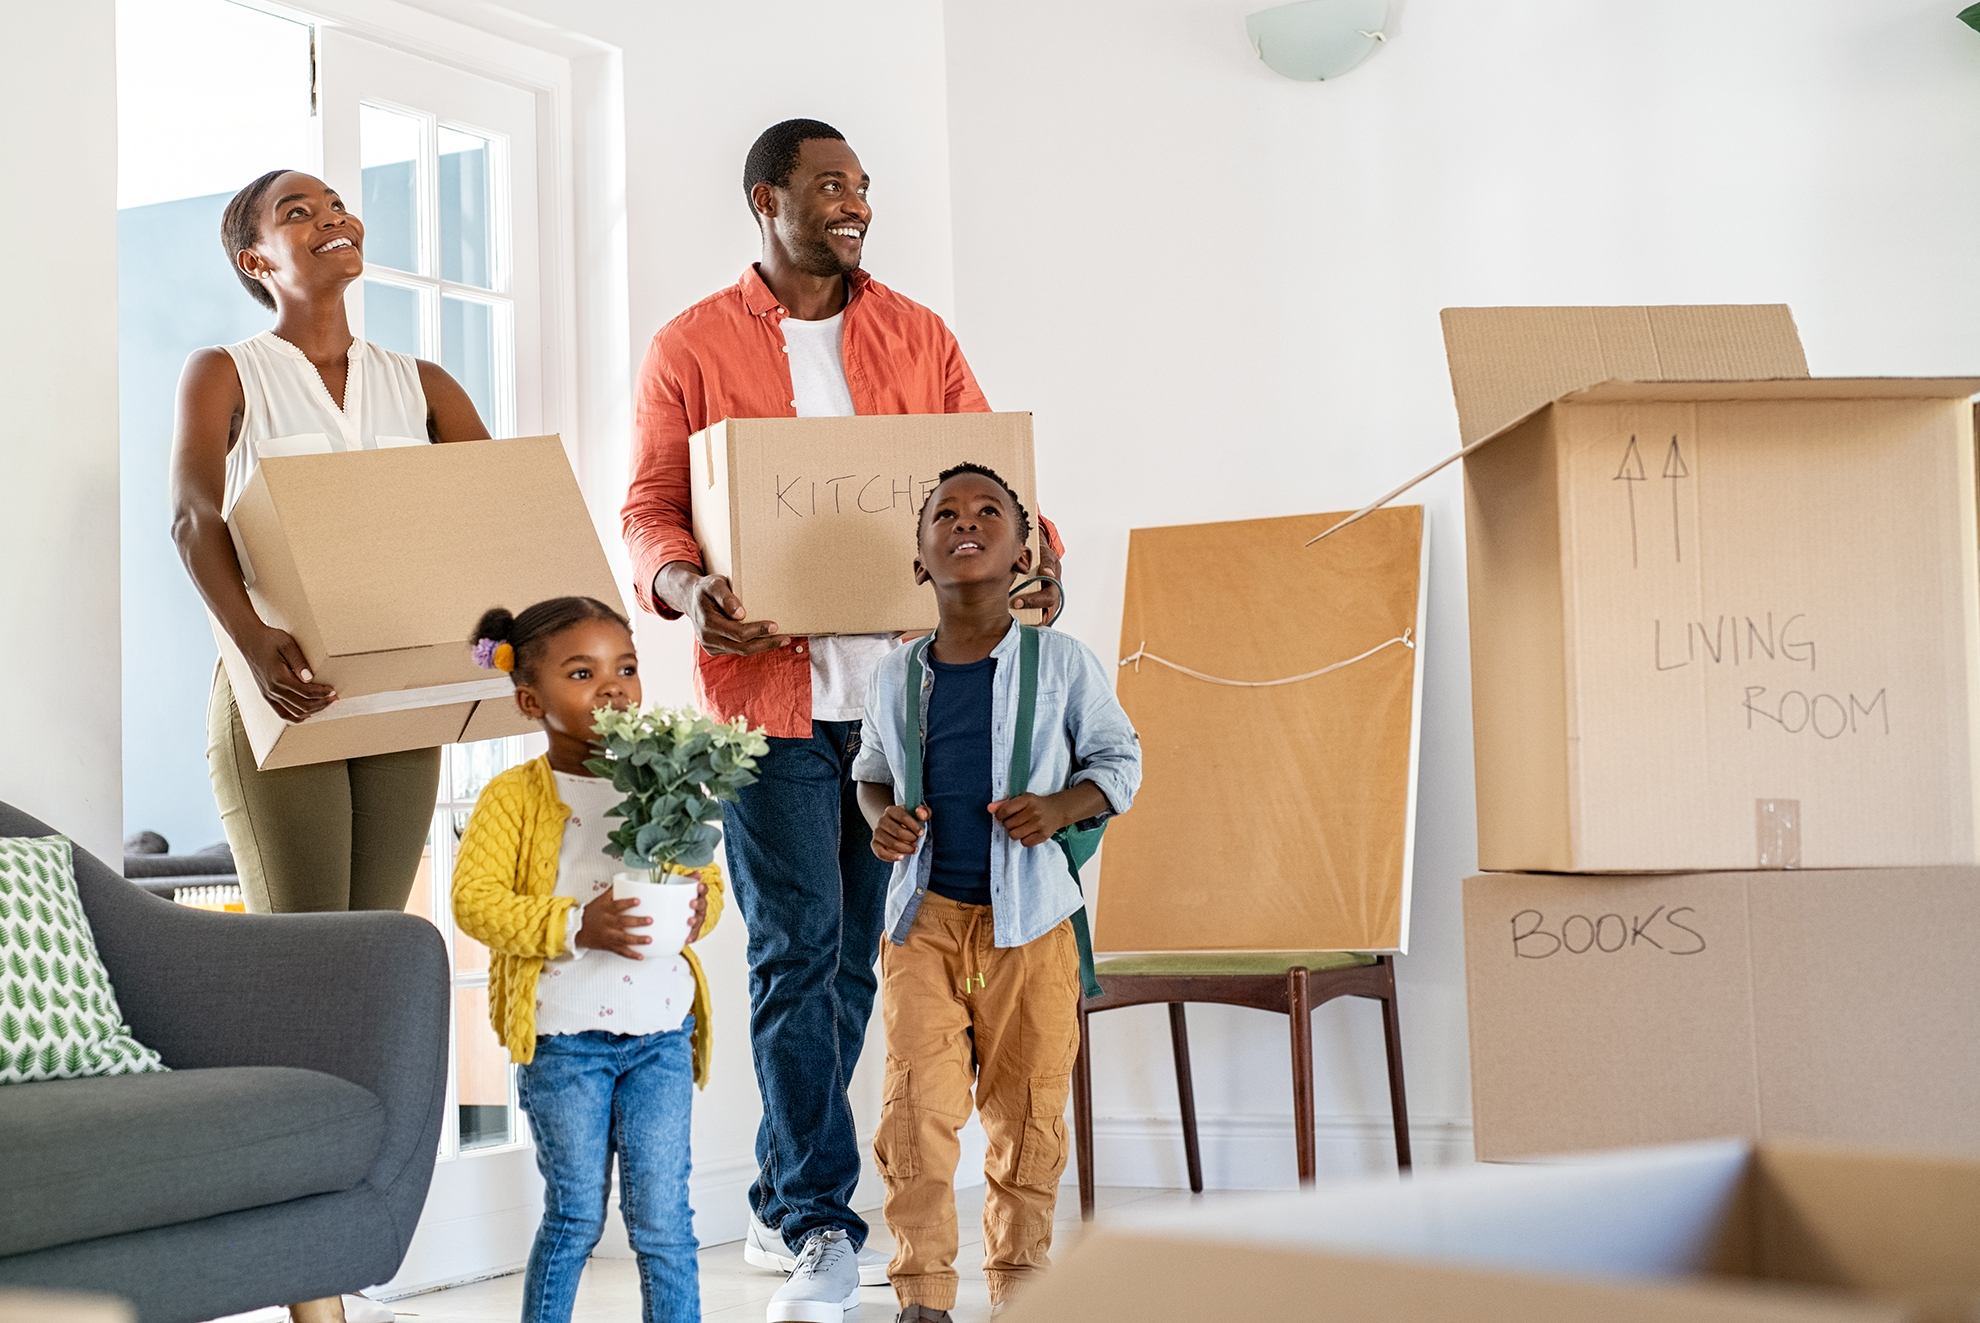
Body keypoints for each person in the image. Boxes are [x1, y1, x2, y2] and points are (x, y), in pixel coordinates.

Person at [620, 119, 1065, 1323]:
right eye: (829, 186)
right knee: (792, 948)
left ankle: (780, 1198)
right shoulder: (693, 345)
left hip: (907, 708)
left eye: (863, 186)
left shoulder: (917, 333)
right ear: (766, 200)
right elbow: (653, 509)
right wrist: (688, 591)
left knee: (864, 951)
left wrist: (1041, 559)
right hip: (767, 707)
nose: (854, 203)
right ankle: (817, 1215)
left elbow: (998, 485)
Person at [168, 168, 493, 1323]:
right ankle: (312, 1292)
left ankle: (335, 1239)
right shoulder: (231, 372)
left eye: (339, 207)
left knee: (371, 973)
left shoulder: (425, 384)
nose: (332, 222)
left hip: (396, 711)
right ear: (258, 259)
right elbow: (194, 514)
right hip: (281, 700)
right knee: (302, 974)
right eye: (298, 215)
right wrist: (253, 641)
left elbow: (491, 523)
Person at [852, 464, 1140, 1321]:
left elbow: (1120, 762)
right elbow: (869, 773)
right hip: (922, 924)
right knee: (916, 1113)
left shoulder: (1063, 664)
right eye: (945, 513)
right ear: (919, 558)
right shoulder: (893, 675)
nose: (965, 523)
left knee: (1026, 1114)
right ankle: (924, 1296)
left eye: (989, 513)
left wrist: (1060, 805)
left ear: (1027, 552)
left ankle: (1021, 1289)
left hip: (1033, 928)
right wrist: (883, 817)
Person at [452, 596, 720, 1323]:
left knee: (664, 1220)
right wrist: (579, 924)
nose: (613, 686)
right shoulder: (513, 797)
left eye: (625, 668)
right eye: (583, 671)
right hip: (565, 1042)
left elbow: (709, 884)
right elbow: (475, 902)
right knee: (575, 1215)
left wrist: (699, 904)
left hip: (661, 1036)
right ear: (530, 699)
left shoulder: (663, 781)